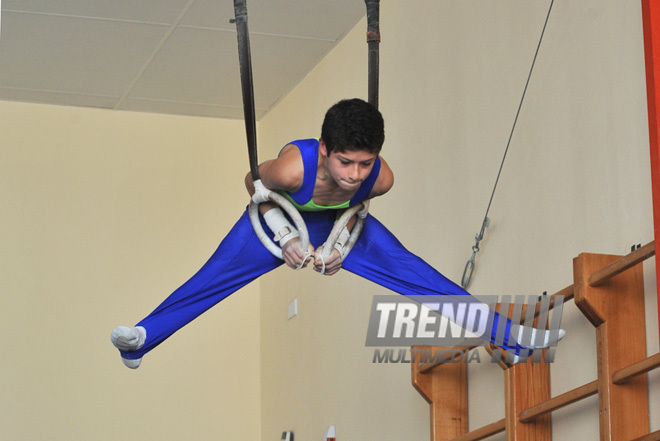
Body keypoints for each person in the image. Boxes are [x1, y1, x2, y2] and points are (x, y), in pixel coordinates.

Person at [111, 98, 563, 369]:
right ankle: (143, 338)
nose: (354, 174)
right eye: (345, 162)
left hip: (340, 227)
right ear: (324, 149)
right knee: (213, 278)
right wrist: (287, 237)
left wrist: (340, 244)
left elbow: (359, 205)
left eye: (364, 163)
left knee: (423, 278)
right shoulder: (292, 168)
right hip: (275, 219)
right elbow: (252, 186)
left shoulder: (379, 178)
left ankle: (513, 339)